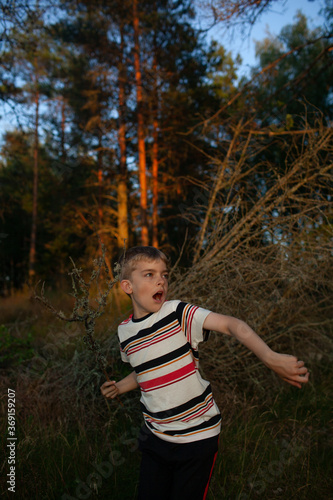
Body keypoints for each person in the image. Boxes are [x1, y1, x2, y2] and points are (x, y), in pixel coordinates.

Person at [100, 246, 309, 500]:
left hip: (197, 439)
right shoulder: (125, 333)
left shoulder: (177, 313)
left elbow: (232, 325)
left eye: (164, 275)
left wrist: (270, 357)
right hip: (155, 437)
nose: (160, 280)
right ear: (127, 286)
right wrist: (120, 386)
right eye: (149, 274)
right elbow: (145, 370)